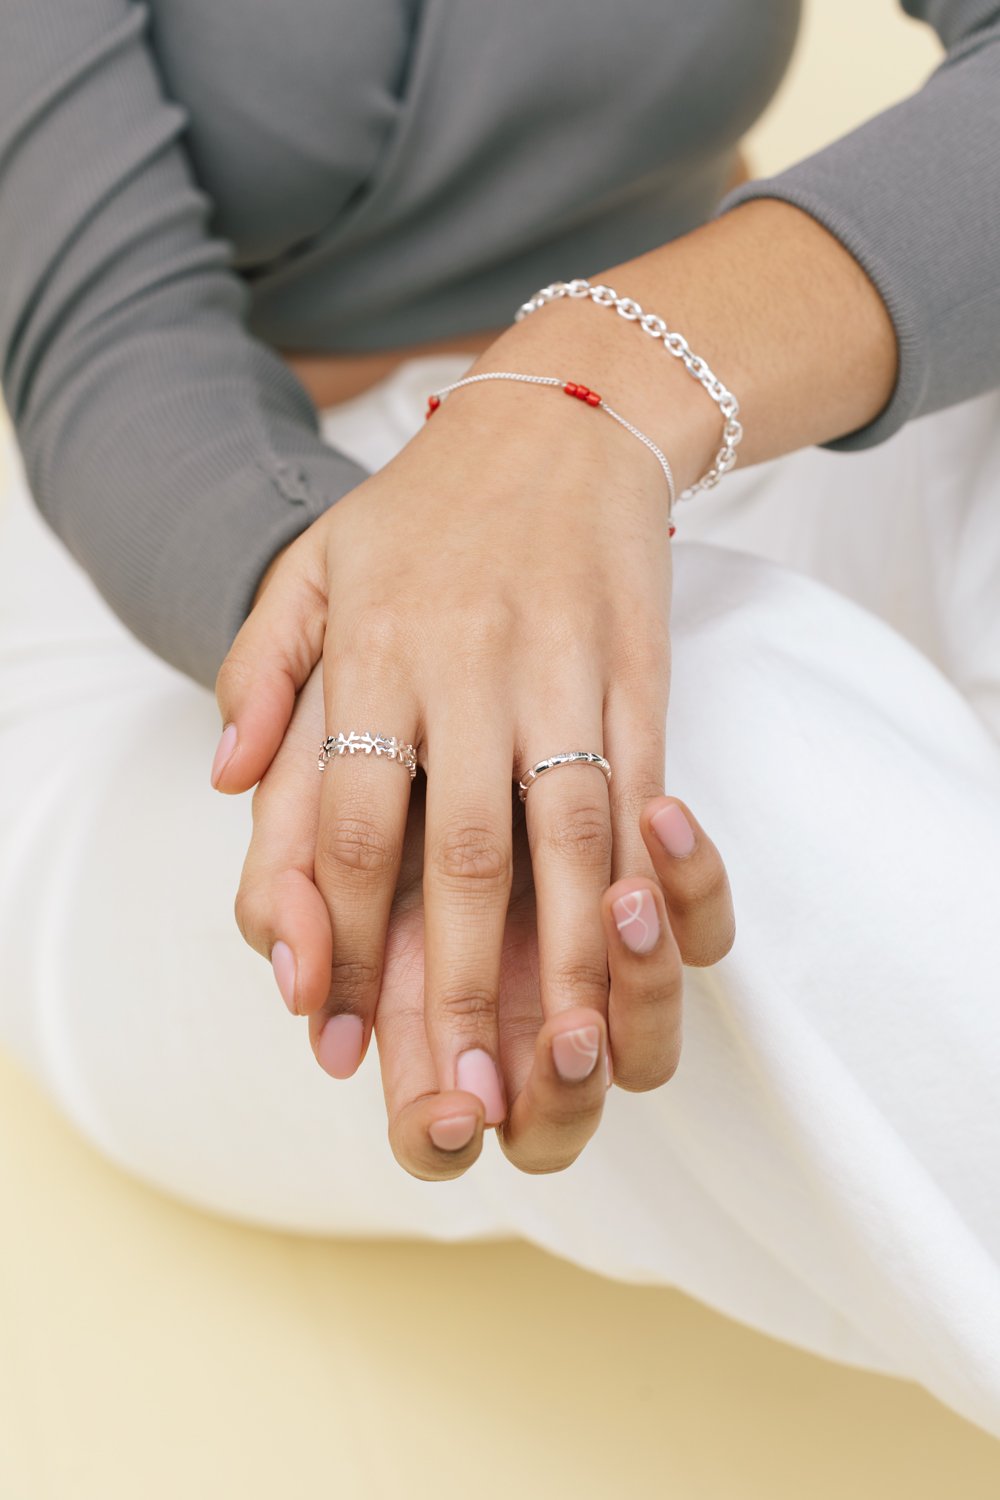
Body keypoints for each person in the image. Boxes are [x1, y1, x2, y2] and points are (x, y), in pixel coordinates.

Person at [1, 0, 999, 1438]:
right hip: (203, 604)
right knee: (706, 754)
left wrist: (590, 394)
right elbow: (109, 339)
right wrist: (414, 664)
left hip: (701, 410)